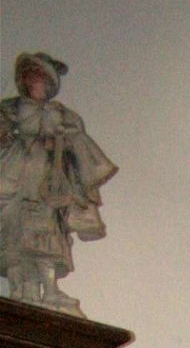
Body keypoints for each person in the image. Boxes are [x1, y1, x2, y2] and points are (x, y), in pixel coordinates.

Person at [0, 52, 115, 313]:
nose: (34, 82)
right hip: (15, 183)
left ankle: (50, 290)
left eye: (39, 78)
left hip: (49, 187)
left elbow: (79, 147)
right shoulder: (9, 110)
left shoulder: (63, 115)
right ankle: (22, 289)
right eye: (29, 77)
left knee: (48, 235)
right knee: (14, 238)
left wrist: (62, 142)